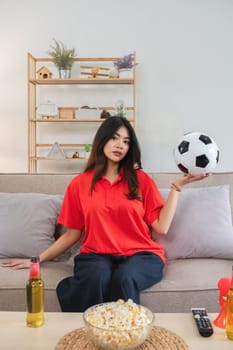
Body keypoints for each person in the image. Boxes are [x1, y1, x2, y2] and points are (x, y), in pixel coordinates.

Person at [2, 116, 209, 312]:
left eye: (126, 141)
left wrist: (177, 187)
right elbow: (72, 234)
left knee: (125, 278)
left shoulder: (141, 180)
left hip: (141, 255)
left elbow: (161, 226)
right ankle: (90, 336)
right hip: (96, 255)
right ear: (102, 140)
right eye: (114, 138)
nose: (120, 145)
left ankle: (126, 336)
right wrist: (37, 259)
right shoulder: (79, 184)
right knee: (96, 278)